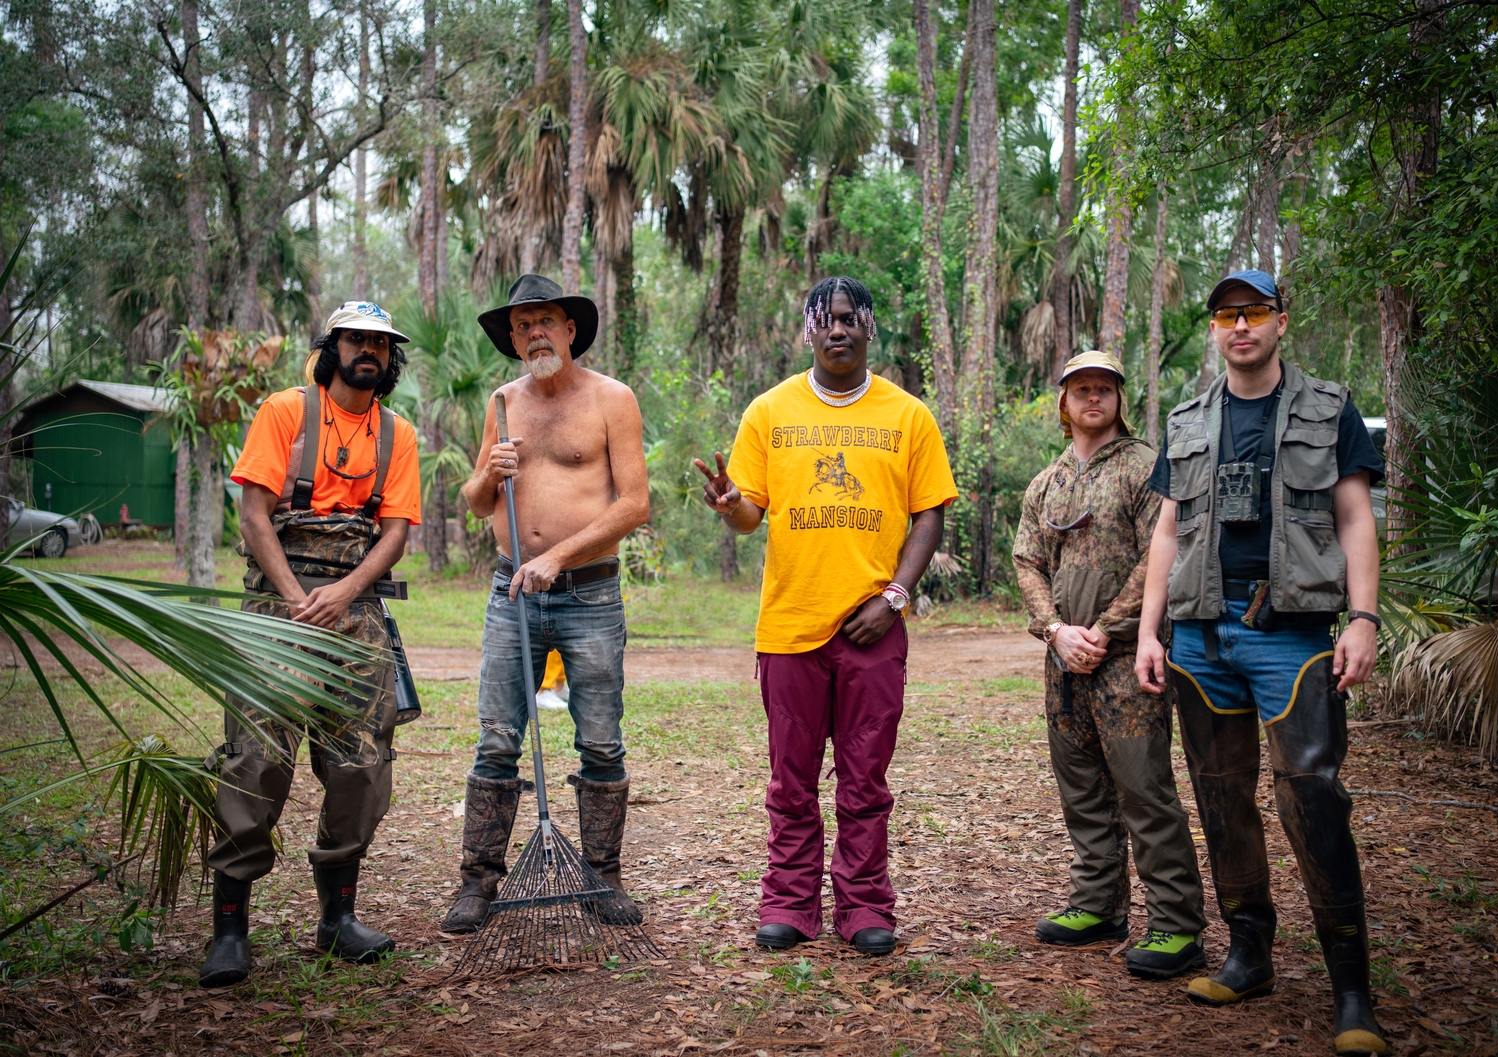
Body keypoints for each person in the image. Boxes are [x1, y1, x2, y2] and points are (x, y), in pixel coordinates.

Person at [1134, 270, 1388, 1055]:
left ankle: (1352, 991)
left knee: (1312, 798)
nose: (1239, 326)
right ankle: (1250, 953)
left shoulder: (1328, 406)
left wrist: (1365, 618)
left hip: (1292, 631)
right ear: (1214, 328)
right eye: (1225, 315)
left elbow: (1354, 516)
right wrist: (1150, 633)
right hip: (1203, 635)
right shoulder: (1188, 418)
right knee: (1221, 796)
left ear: (1281, 319)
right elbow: (1168, 533)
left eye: (1254, 312)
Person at [693, 276, 957, 957]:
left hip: (873, 628)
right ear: (807, 330)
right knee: (792, 778)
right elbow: (753, 514)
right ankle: (789, 901)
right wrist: (730, 503)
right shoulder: (771, 411)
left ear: (870, 327)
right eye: (825, 320)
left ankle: (866, 904)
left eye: (849, 319)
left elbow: (929, 512)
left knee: (866, 776)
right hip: (790, 627)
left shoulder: (908, 416)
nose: (837, 330)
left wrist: (894, 597)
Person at [201, 301, 422, 987]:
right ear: (332, 347)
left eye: (381, 346)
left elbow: (394, 533)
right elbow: (253, 513)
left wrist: (345, 592)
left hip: (355, 612)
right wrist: (298, 598)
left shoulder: (398, 434)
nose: (369, 353)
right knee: (256, 763)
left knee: (362, 767)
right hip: (278, 608)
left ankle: (337, 920)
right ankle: (230, 931)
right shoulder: (284, 412)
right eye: (356, 340)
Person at [441, 274, 650, 933]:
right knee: (498, 737)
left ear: (569, 330)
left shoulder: (612, 399)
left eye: (546, 320)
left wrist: (558, 556)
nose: (535, 331)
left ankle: (603, 875)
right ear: (512, 337)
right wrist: (487, 474)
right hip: (512, 595)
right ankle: (478, 881)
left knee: (601, 739)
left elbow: (634, 505)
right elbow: (474, 503)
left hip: (589, 594)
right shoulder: (502, 402)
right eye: (523, 323)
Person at [1012, 349, 1207, 979]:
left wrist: (1100, 630)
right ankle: (1098, 904)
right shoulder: (1047, 481)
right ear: (1063, 404)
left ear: (1120, 399)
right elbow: (1027, 561)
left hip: (1129, 659)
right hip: (1063, 661)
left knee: (1143, 789)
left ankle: (1176, 925)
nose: (1093, 398)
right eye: (1081, 389)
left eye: (1104, 389)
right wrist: (1055, 630)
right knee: (1082, 789)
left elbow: (1161, 558)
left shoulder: (1148, 469)